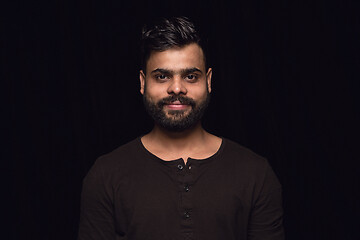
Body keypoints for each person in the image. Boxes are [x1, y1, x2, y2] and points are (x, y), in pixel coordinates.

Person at [78, 16, 284, 240]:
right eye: (162, 76)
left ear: (209, 81)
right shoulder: (106, 175)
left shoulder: (255, 173)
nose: (176, 88)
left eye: (190, 76)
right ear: (143, 82)